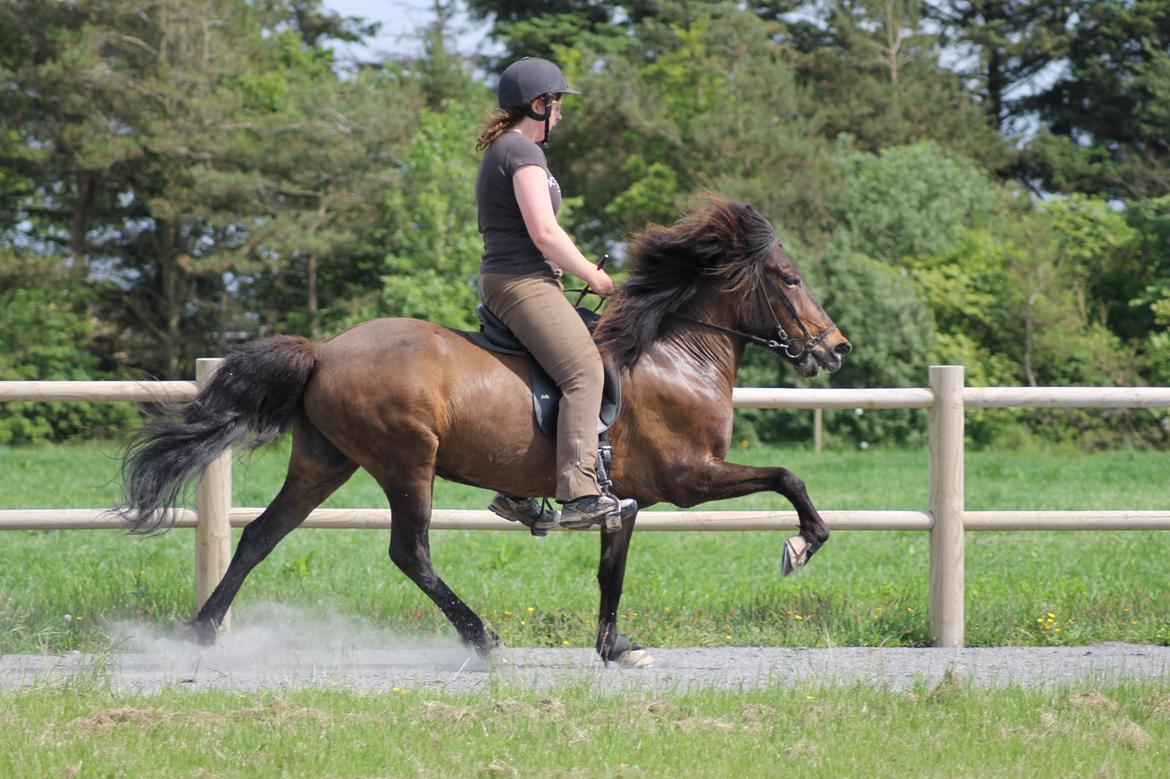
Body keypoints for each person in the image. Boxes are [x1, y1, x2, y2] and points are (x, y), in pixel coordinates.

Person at [475, 57, 632, 529]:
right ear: (538, 105)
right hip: (521, 281)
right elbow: (544, 232)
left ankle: (516, 489)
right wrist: (597, 279)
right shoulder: (522, 152)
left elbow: (550, 234)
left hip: (524, 278)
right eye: (557, 104)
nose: (560, 114)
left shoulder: (509, 149)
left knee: (551, 370)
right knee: (585, 371)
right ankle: (582, 493)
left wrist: (578, 270)